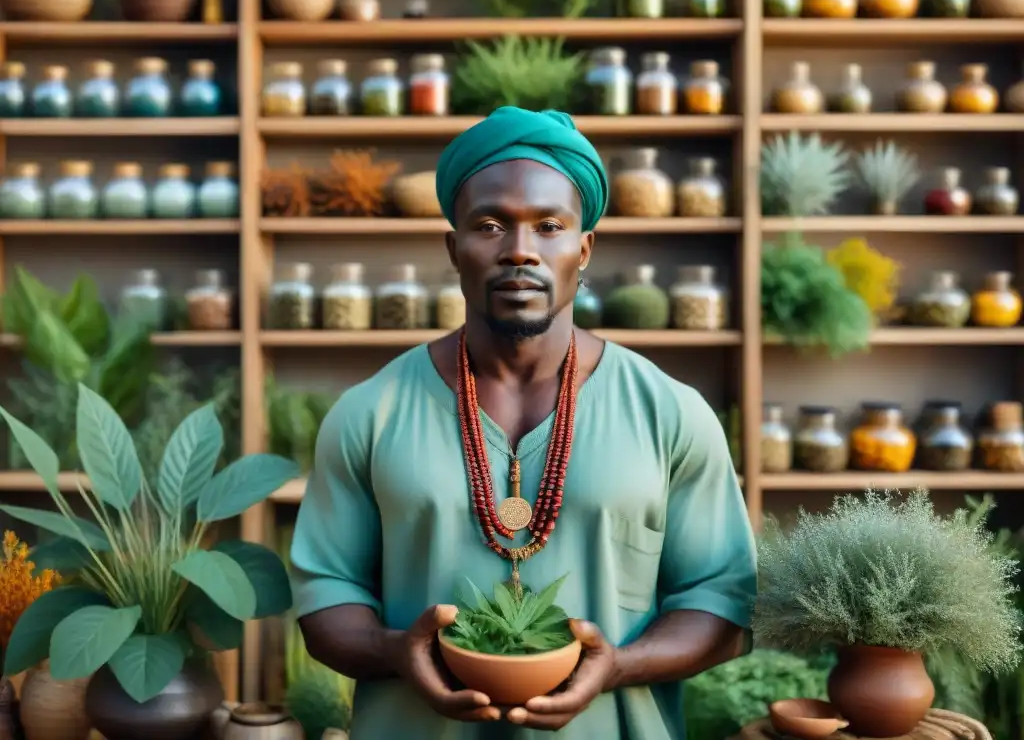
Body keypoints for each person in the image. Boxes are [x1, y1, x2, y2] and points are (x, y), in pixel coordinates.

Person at [290, 106, 758, 739]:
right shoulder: (369, 413)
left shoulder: (669, 412)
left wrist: (618, 665)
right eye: (489, 225)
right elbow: (327, 596)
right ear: (454, 249)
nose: (520, 251)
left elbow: (720, 600)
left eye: (549, 225)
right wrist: (397, 653)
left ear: (583, 248)